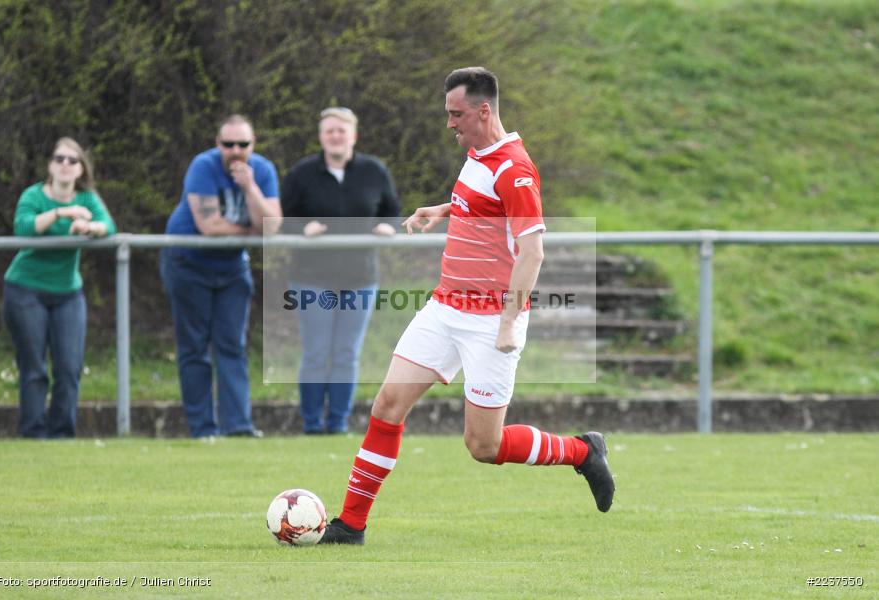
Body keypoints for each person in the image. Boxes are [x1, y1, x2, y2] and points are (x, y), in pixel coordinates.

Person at [319, 68, 615, 545]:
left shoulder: (514, 169)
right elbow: (481, 204)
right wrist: (442, 209)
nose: (450, 124)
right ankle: (350, 524)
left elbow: (533, 250)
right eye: (447, 114)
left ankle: (581, 452)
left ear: (484, 110)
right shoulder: (479, 153)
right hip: (444, 308)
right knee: (388, 405)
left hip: (488, 323)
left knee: (484, 445)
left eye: (456, 115)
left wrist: (507, 319)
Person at [281, 107, 401, 434]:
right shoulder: (302, 173)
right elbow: (282, 222)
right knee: (317, 351)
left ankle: (338, 423)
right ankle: (311, 424)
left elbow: (393, 214)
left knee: (347, 353)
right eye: (330, 131)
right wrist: (301, 229)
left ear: (353, 135)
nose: (336, 136)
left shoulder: (374, 172)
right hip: (311, 278)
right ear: (321, 136)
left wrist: (389, 229)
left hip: (359, 277)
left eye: (341, 131)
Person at [161, 114, 281, 438]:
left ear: (252, 144)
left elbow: (272, 224)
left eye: (243, 144)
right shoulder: (203, 166)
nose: (236, 151)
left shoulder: (263, 171)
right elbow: (209, 226)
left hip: (231, 269)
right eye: (228, 144)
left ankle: (238, 427)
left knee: (232, 346)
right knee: (195, 348)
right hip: (188, 263)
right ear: (218, 144)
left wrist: (249, 186)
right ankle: (202, 429)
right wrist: (251, 231)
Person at [3, 137, 116, 438]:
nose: (65, 164)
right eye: (59, 159)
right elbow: (23, 227)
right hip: (25, 288)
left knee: (69, 367)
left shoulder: (87, 199)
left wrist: (90, 228)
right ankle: (34, 432)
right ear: (50, 165)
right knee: (34, 368)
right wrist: (61, 214)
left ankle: (62, 434)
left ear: (81, 169)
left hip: (67, 292)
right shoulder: (34, 195)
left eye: (72, 160)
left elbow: (108, 225)